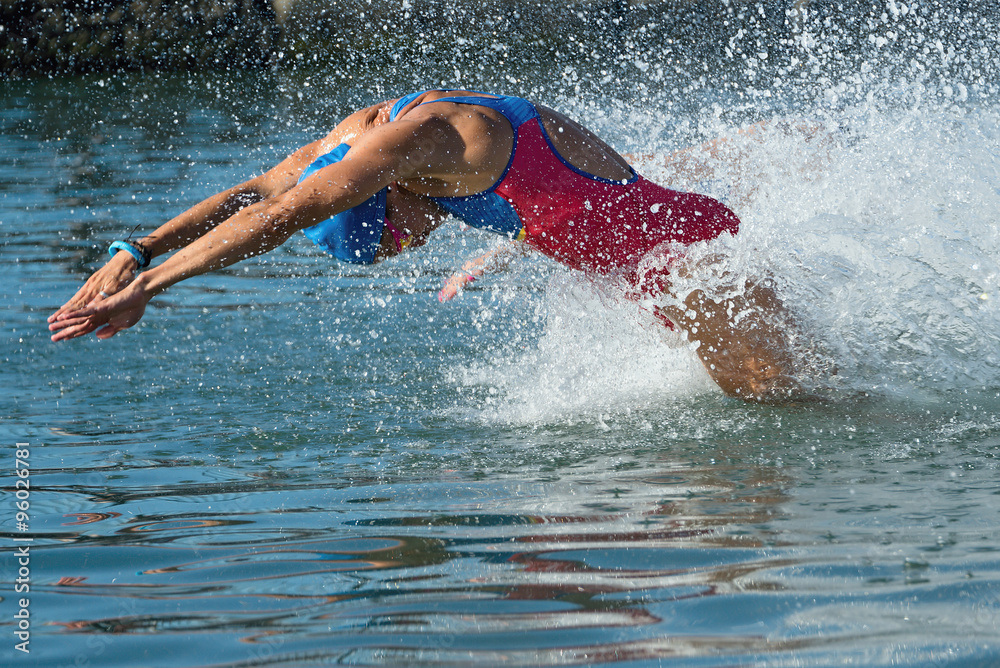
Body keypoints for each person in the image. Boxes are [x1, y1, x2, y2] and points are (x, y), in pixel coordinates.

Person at [48, 89, 799, 401]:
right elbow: (256, 194)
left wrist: (153, 287)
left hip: (694, 266)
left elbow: (280, 218)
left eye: (398, 241)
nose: (413, 247)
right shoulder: (355, 140)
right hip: (637, 265)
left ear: (385, 195)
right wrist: (137, 250)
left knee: (786, 411)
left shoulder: (431, 138)